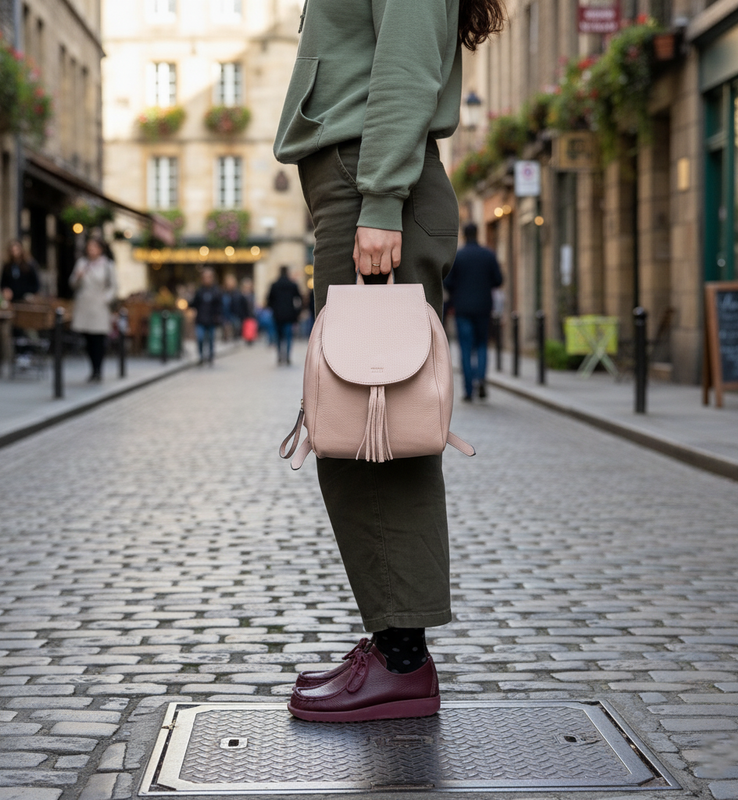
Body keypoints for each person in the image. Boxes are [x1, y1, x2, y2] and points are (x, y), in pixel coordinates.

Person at [273, 0, 504, 722]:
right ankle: (393, 642)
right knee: (361, 425)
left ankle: (403, 660)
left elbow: (405, 59)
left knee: (372, 429)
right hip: (357, 182)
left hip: (369, 189)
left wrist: (378, 201)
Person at [444, 222, 503, 400]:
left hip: (462, 309)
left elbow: (447, 282)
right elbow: (498, 280)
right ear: (478, 234)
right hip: (483, 308)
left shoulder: (458, 256)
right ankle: (481, 379)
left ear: (464, 235)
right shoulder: (488, 255)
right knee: (482, 345)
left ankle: (468, 390)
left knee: (465, 348)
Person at [69, 237, 117, 382]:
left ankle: (98, 370)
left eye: (94, 247)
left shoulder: (107, 265)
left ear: (101, 249)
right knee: (87, 339)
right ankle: (92, 369)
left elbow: (114, 286)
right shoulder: (82, 263)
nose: (91, 250)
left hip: (99, 306)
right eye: (89, 247)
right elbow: (72, 284)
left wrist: (105, 299)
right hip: (84, 306)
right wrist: (78, 277)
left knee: (98, 339)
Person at [266, 266, 302, 365]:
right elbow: (299, 299)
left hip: (277, 315)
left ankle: (279, 355)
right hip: (289, 315)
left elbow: (268, 300)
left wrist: (273, 308)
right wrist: (297, 312)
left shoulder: (274, 285)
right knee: (288, 336)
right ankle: (287, 356)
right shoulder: (292, 285)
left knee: (278, 336)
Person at [191, 268, 222, 365]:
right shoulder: (199, 291)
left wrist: (218, 317)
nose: (207, 279)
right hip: (200, 319)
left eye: (209, 277)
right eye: (205, 277)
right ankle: (201, 356)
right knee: (200, 338)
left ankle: (210, 356)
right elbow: (194, 303)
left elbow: (220, 306)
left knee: (211, 339)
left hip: (212, 320)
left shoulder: (216, 291)